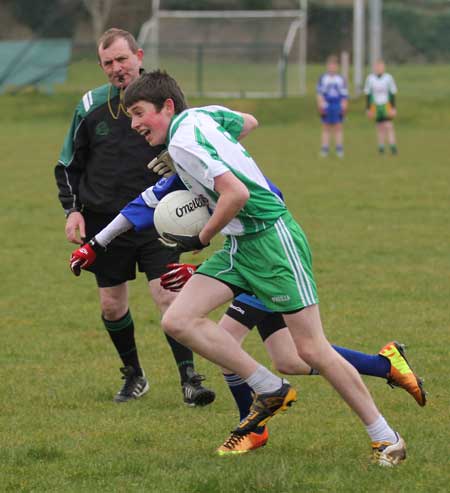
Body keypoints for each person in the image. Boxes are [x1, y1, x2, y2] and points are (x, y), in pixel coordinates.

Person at [71, 71, 407, 466]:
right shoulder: (202, 117)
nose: (134, 124)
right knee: (178, 319)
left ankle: (386, 437)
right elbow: (248, 122)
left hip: (271, 240)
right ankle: (268, 387)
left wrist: (198, 239)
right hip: (240, 245)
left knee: (311, 349)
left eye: (140, 113)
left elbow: (237, 192)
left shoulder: (183, 142)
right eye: (130, 116)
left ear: (167, 107)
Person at [54, 29, 215, 406]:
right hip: (105, 222)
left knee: (168, 296)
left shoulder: (164, 101)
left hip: (161, 219)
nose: (117, 69)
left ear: (138, 56)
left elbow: (194, 152)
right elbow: (68, 164)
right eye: (108, 63)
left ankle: (189, 377)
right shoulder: (91, 105)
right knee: (112, 305)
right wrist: (72, 210)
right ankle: (134, 375)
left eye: (122, 59)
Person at [316, 55, 348, 158]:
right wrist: (320, 105)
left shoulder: (341, 79)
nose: (332, 67)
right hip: (326, 105)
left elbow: (344, 95)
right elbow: (319, 93)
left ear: (337, 67)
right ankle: (325, 149)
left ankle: (339, 148)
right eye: (330, 65)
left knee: (338, 127)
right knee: (326, 127)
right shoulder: (323, 78)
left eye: (334, 65)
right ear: (327, 66)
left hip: (337, 105)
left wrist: (344, 106)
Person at [364, 60, 398, 155]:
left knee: (389, 125)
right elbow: (368, 94)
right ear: (374, 68)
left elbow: (392, 93)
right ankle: (381, 147)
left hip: (386, 105)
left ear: (384, 67)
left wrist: (393, 107)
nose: (379, 68)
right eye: (377, 66)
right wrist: (368, 109)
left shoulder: (388, 78)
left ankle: (393, 147)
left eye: (381, 66)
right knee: (379, 127)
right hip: (375, 106)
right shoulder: (370, 79)